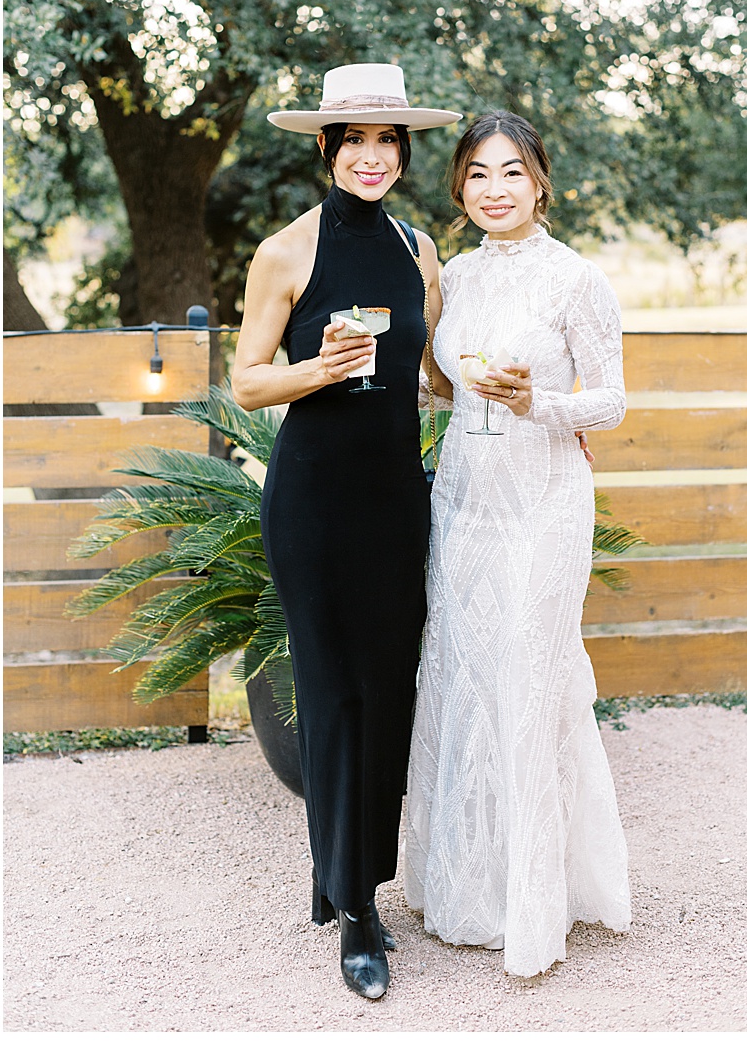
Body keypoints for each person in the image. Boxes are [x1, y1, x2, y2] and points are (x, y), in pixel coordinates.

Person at [236, 63, 457, 1001]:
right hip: (315, 504)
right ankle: (356, 910)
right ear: (326, 146)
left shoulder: (418, 250)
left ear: (403, 152)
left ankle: (345, 878)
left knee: (388, 693)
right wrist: (318, 371)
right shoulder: (285, 252)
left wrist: (515, 390)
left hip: (396, 500)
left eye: (387, 141)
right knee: (332, 697)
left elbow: (436, 372)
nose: (372, 157)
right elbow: (247, 381)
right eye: (355, 140)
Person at [403, 111, 631, 975]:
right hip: (465, 496)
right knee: (465, 671)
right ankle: (463, 884)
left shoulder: (577, 279)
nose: (494, 190)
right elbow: (445, 384)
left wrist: (542, 406)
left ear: (540, 182)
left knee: (532, 674)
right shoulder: (455, 276)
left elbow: (610, 400)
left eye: (511, 173)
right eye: (477, 175)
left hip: (544, 499)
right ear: (459, 188)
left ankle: (537, 901)